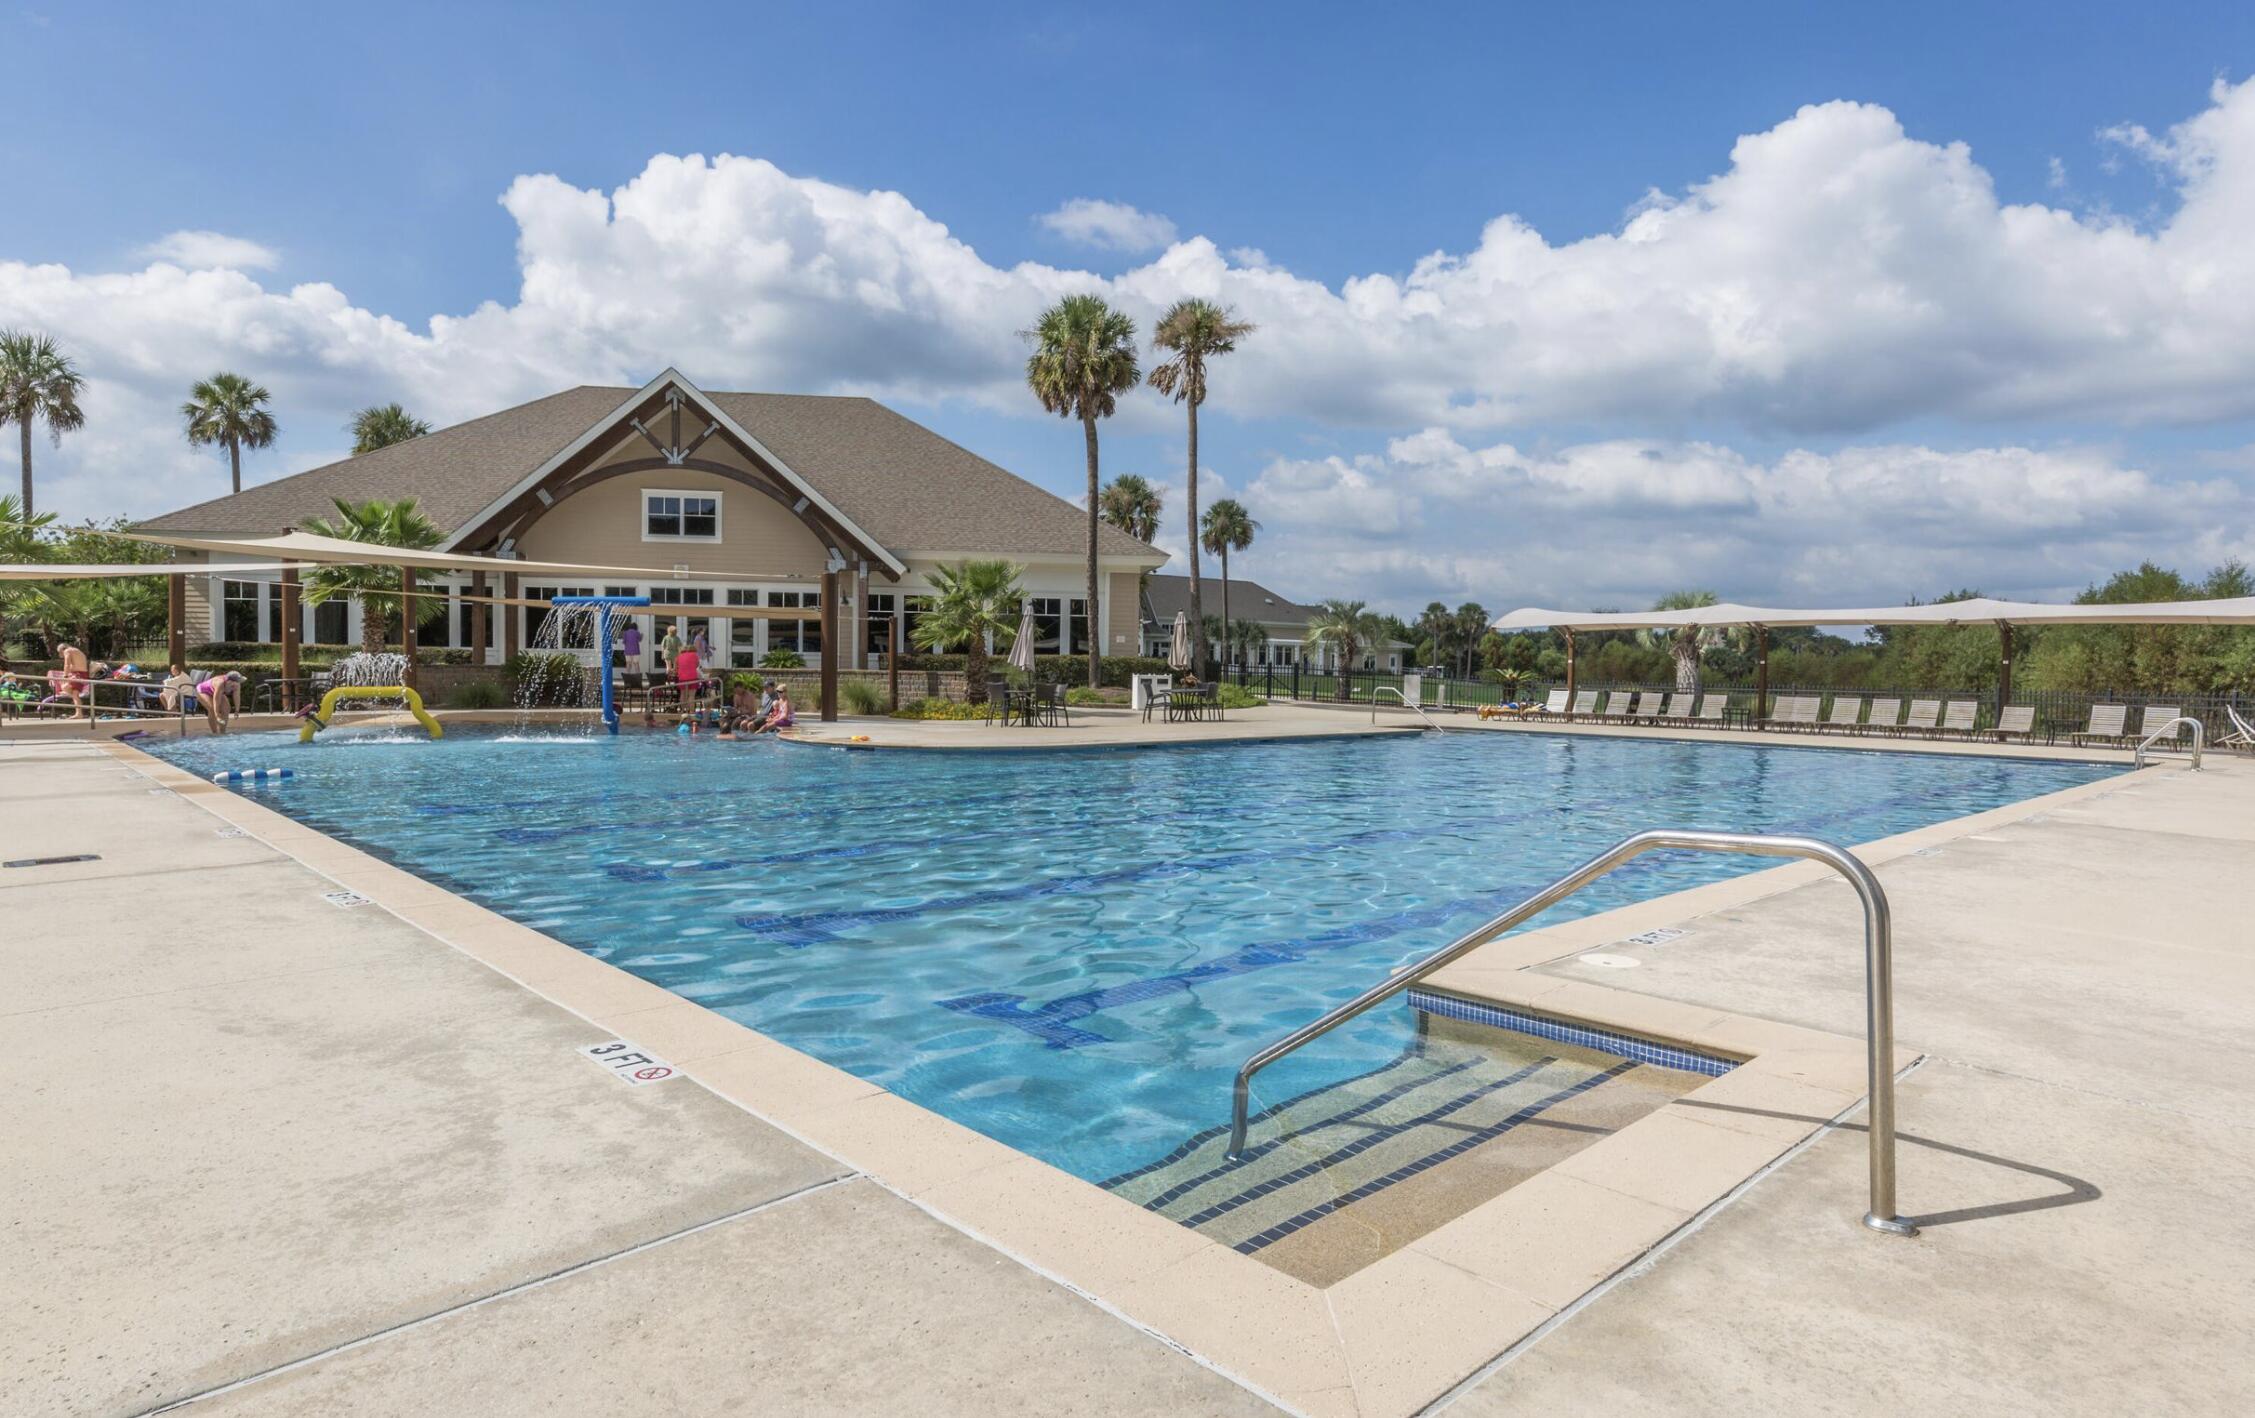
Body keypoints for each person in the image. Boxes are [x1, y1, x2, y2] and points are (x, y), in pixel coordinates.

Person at [197, 670, 244, 734]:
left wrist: (237, 710)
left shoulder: (237, 684)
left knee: (227, 708)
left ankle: (223, 733)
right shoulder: (219, 683)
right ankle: (215, 733)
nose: (237, 685)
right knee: (212, 709)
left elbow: (237, 696)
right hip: (202, 691)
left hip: (215, 692)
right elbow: (216, 699)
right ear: (229, 681)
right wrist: (217, 715)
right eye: (235, 683)